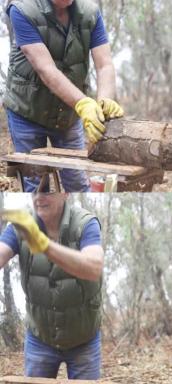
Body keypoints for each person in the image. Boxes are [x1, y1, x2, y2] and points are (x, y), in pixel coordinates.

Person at [4, 0, 124, 192]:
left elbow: (105, 65)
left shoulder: (90, 13)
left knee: (76, 182)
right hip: (27, 112)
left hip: (67, 115)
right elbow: (46, 69)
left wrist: (104, 100)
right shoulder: (22, 10)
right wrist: (83, 103)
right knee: (35, 185)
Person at [0, 193, 104, 379]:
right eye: (34, 191)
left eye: (47, 191)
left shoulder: (85, 223)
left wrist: (43, 245)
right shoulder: (21, 225)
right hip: (40, 337)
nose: (39, 197)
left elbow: (94, 268)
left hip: (84, 338)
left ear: (65, 193)